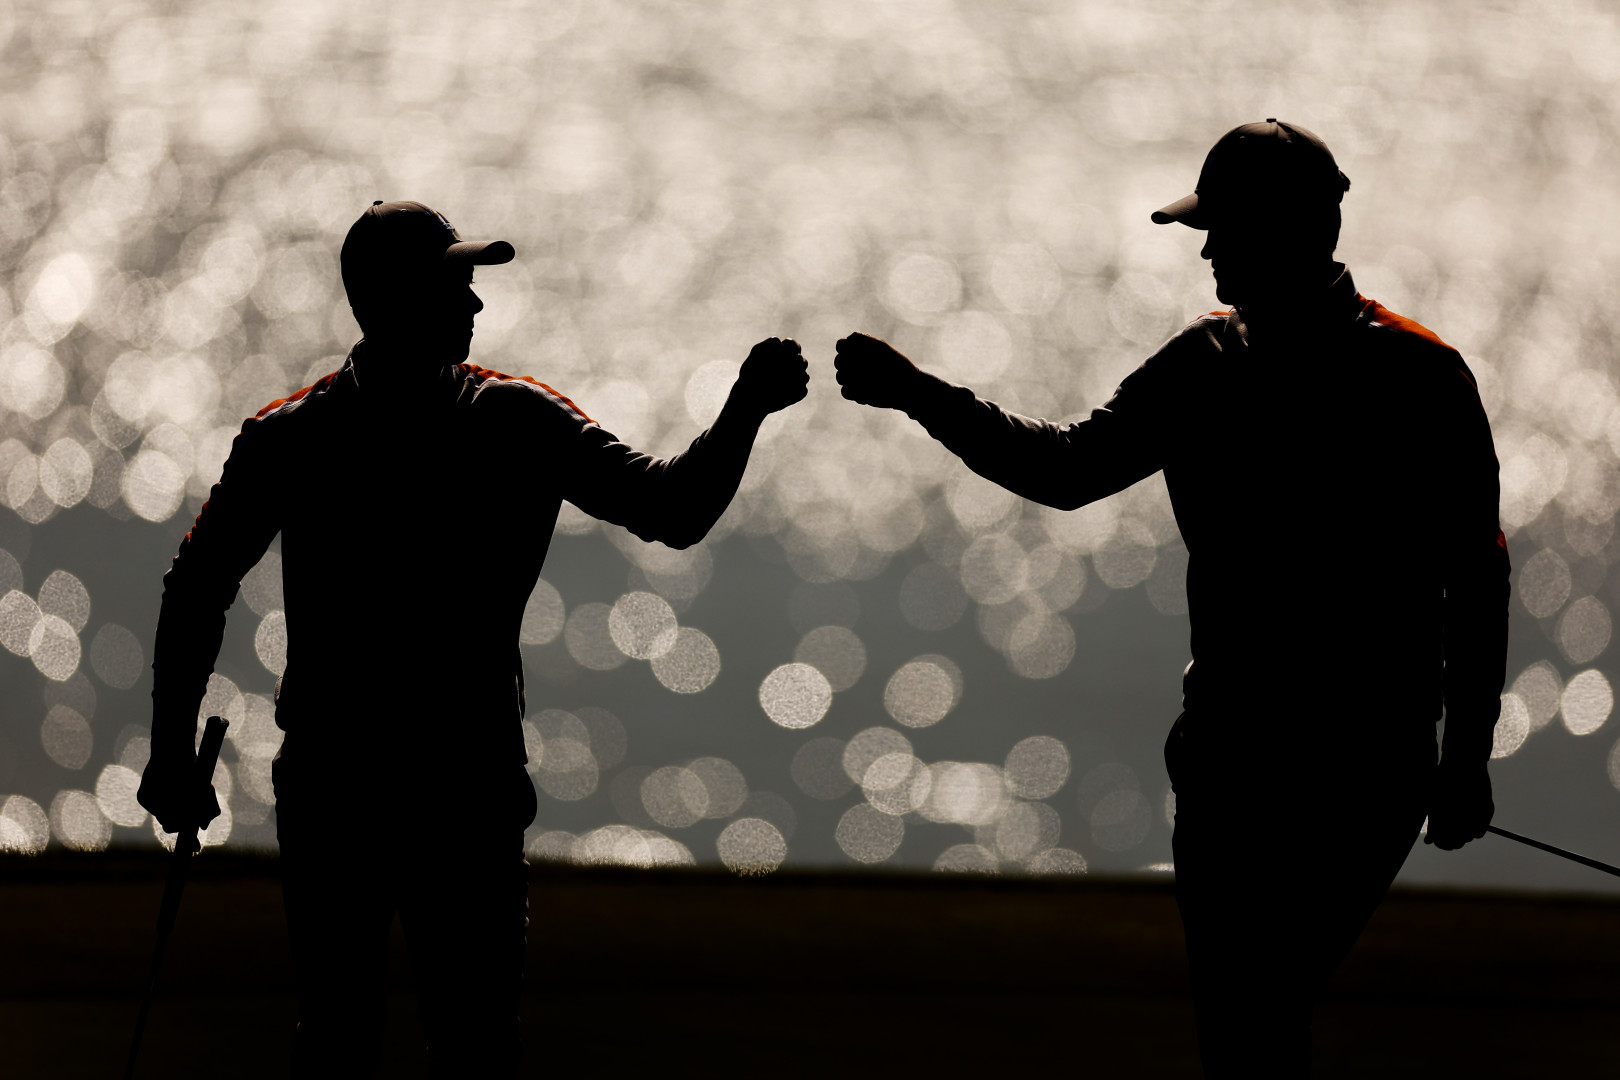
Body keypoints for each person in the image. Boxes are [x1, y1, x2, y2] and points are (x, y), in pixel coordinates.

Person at [833, 120, 1507, 1075]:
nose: (1205, 249)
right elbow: (1069, 469)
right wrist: (920, 395)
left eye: (1222, 228)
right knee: (1249, 1023)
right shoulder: (1209, 362)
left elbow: (1473, 578)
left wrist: (1466, 756)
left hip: (1360, 774)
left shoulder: (1419, 376)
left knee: (1256, 1012)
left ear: (1282, 232)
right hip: (1232, 761)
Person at [136, 199, 809, 1075]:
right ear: (395, 299)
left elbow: (671, 511)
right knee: (368, 1044)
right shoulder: (316, 435)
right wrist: (164, 754)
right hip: (376, 791)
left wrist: (744, 414)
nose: (476, 304)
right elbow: (197, 586)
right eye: (456, 283)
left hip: (440, 791)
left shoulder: (470, 421)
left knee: (457, 1047)